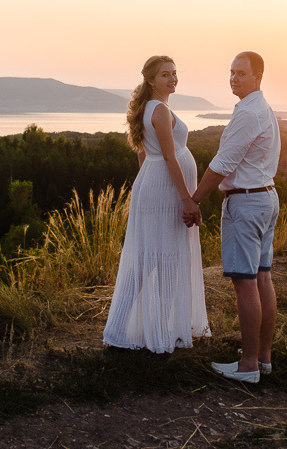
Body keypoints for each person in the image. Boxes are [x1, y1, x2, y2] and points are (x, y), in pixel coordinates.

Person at [103, 55, 210, 353]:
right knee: (160, 261)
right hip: (163, 191)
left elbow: (143, 154)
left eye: (175, 73)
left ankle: (153, 327)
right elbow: (168, 156)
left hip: (156, 188)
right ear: (151, 80)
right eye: (165, 75)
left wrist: (149, 186)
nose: (173, 79)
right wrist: (187, 199)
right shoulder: (159, 110)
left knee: (153, 260)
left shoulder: (151, 107)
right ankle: (153, 331)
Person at [190, 51, 281, 383]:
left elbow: (221, 165)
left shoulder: (249, 113)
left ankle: (248, 365)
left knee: (245, 283)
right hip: (266, 198)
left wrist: (192, 200)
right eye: (231, 72)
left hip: (246, 204)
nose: (233, 78)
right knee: (261, 278)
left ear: (258, 77)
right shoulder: (263, 109)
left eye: (241, 73)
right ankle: (264, 359)